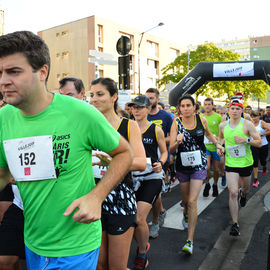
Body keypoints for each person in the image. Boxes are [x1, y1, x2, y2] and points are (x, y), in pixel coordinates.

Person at [0, 31, 133, 270]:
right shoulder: (4, 117)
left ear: (42, 72)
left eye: (14, 71)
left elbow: (125, 153)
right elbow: (1, 174)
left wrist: (96, 196)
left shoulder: (80, 113)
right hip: (35, 241)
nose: (3, 81)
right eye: (0, 72)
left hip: (76, 244)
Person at [89, 77, 146, 270]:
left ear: (114, 97)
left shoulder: (128, 126)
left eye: (99, 94)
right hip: (93, 199)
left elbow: (140, 162)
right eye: (91, 95)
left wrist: (114, 162)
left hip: (120, 201)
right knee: (98, 265)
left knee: (117, 266)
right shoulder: (87, 127)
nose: (94, 99)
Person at [169, 95, 223, 255]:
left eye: (188, 105)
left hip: (199, 164)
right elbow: (171, 149)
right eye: (182, 106)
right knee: (186, 201)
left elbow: (208, 135)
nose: (185, 108)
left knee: (192, 201)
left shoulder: (201, 120)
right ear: (179, 108)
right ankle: (186, 214)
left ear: (194, 107)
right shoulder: (176, 123)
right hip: (182, 166)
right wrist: (177, 142)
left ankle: (189, 241)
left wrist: (217, 144)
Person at [130, 95, 167, 270]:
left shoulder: (155, 129)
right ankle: (143, 242)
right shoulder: (126, 127)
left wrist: (162, 162)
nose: (136, 110)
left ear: (147, 109)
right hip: (130, 177)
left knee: (138, 218)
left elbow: (164, 152)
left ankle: (142, 252)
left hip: (151, 176)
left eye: (139, 107)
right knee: (131, 219)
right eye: (133, 107)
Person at [218, 99, 261, 236]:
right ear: (228, 110)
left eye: (238, 108)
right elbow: (220, 139)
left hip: (246, 163)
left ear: (241, 111)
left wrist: (246, 140)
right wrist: (220, 147)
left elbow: (259, 142)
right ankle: (235, 224)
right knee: (233, 192)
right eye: (232, 108)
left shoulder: (247, 125)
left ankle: (244, 195)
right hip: (231, 164)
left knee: (245, 189)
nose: (235, 111)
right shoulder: (223, 125)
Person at [145, 88, 173, 239]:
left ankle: (155, 221)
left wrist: (158, 139)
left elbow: (172, 136)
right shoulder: (141, 114)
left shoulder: (166, 116)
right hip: (141, 159)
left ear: (157, 99)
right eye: (146, 98)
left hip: (159, 158)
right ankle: (161, 211)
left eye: (151, 98)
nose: (149, 101)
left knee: (156, 193)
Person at [202, 98, 222, 196]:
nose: (207, 106)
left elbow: (222, 131)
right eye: (205, 104)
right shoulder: (201, 117)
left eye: (209, 104)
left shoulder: (218, 117)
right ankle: (207, 184)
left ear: (213, 106)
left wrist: (218, 138)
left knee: (216, 170)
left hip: (216, 146)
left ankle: (214, 184)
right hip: (205, 146)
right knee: (207, 167)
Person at [250, 110, 270, 187]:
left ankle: (264, 167)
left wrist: (262, 134)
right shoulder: (250, 124)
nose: (253, 118)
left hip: (263, 145)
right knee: (255, 162)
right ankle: (255, 180)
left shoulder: (262, 123)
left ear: (259, 116)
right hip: (254, 145)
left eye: (255, 116)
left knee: (263, 161)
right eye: (252, 116)